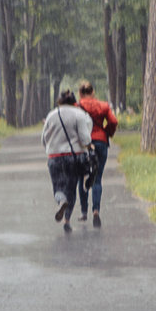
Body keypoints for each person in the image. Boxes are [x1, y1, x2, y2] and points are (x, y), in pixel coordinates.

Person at [40, 88, 94, 233]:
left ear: (59, 100)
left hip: (55, 157)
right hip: (74, 157)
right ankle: (67, 220)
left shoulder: (52, 115)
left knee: (58, 188)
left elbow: (44, 139)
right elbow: (84, 138)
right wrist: (89, 145)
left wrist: (52, 147)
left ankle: (61, 201)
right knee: (71, 189)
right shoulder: (79, 114)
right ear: (74, 101)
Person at [75, 82, 118, 227]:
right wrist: (107, 132)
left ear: (80, 93)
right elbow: (113, 121)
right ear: (93, 92)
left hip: (84, 143)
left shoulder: (77, 107)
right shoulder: (103, 106)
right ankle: (96, 210)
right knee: (97, 178)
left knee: (83, 177)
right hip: (100, 142)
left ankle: (83, 211)